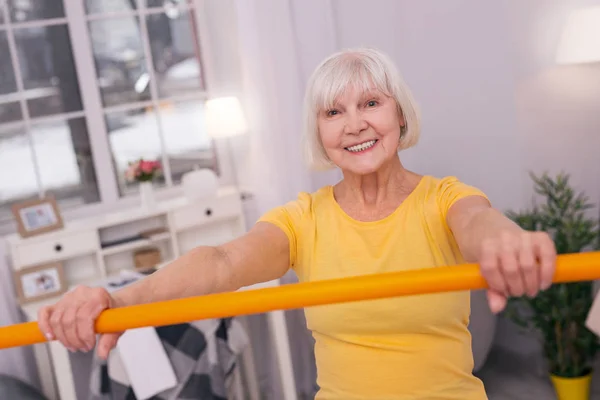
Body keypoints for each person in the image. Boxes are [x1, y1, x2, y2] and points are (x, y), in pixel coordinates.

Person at [37, 47, 557, 399]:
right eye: (333, 112)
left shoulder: (444, 200)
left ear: (400, 115)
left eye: (371, 103)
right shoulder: (302, 219)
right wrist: (122, 300)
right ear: (320, 132)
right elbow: (222, 263)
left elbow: (480, 223)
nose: (354, 123)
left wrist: (507, 244)